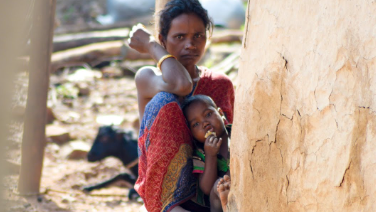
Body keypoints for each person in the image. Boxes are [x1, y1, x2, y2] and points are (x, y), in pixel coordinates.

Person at [128, 0, 234, 211]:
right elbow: (181, 84)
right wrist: (150, 45)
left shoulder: (219, 85)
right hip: (166, 198)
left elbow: (229, 141)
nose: (190, 45)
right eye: (179, 37)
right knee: (164, 100)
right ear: (162, 40)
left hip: (211, 188)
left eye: (198, 36)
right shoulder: (147, 78)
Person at [182, 95, 231, 212]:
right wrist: (210, 155)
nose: (204, 123)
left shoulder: (237, 132)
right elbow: (206, 188)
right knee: (217, 187)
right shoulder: (200, 152)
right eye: (196, 124)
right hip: (217, 203)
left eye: (208, 114)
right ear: (192, 133)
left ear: (220, 113)